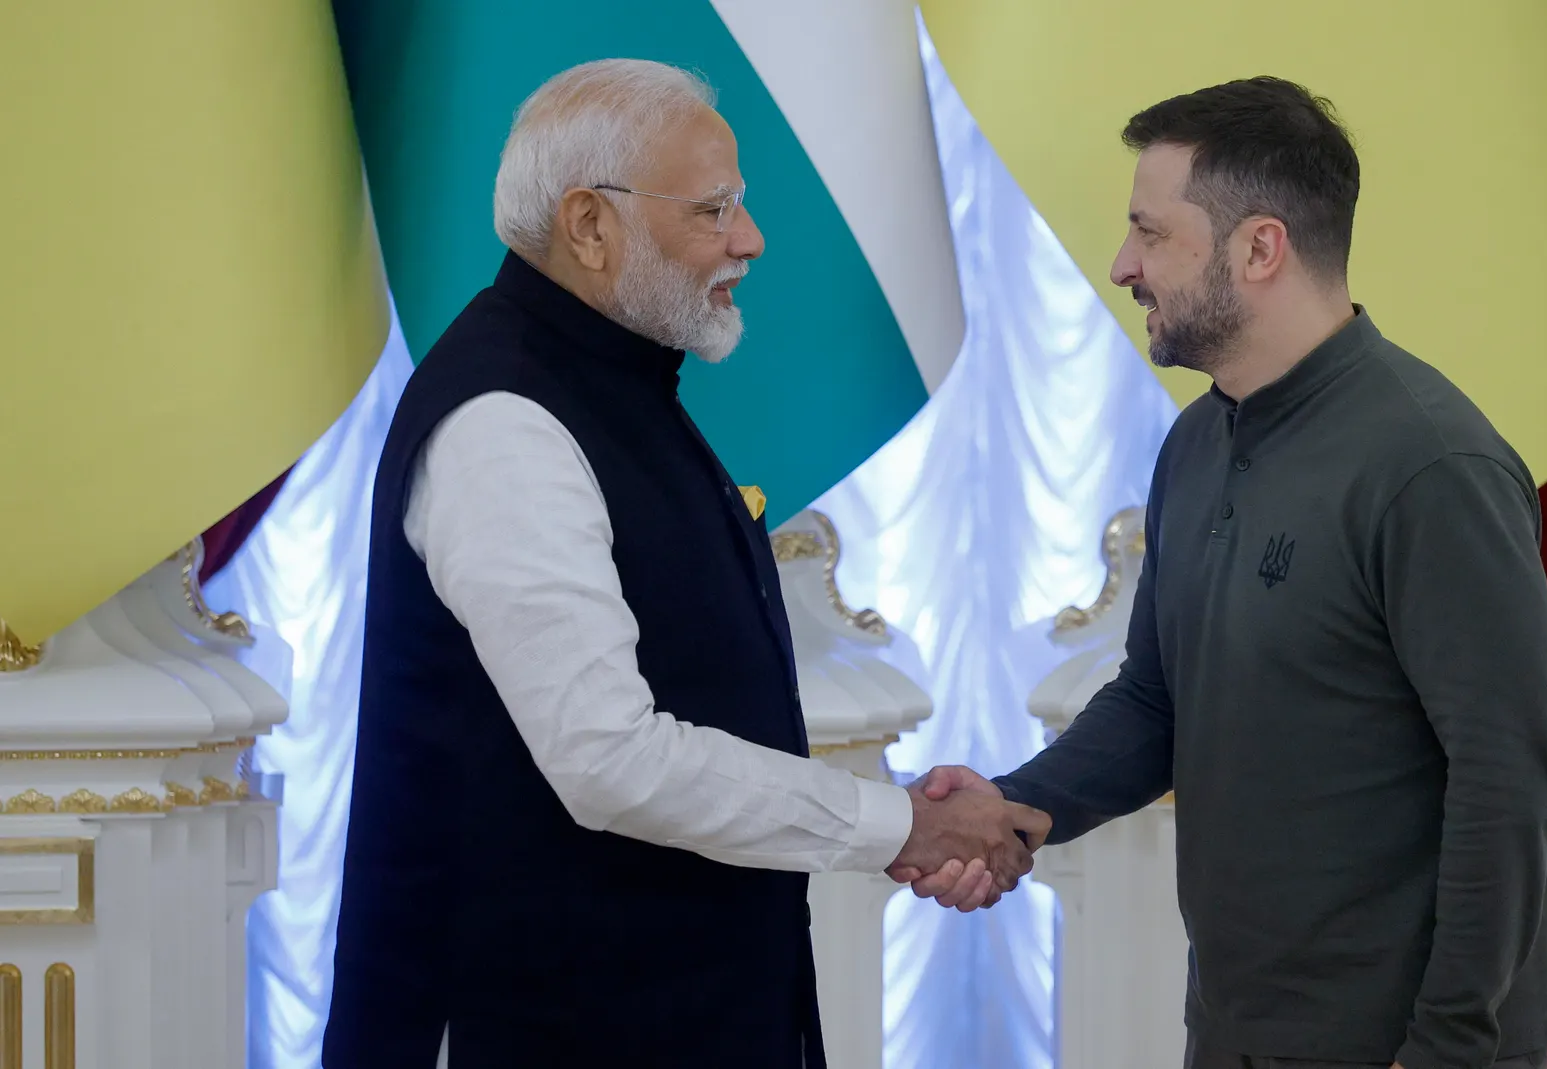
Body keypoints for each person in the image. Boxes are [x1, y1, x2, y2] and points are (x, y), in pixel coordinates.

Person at [323, 59, 1048, 1069]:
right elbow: (609, 760)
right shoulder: (505, 423)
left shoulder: (614, 385)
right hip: (548, 1027)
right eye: (713, 210)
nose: (748, 240)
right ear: (588, 224)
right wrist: (899, 827)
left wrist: (906, 818)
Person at [897, 77, 1547, 1069]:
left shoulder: (1431, 467)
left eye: (1150, 233)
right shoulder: (1195, 441)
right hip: (1236, 1027)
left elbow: (1506, 782)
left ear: (1259, 249)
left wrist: (1445, 1047)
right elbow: (1155, 699)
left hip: (1405, 1042)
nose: (1124, 264)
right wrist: (1015, 807)